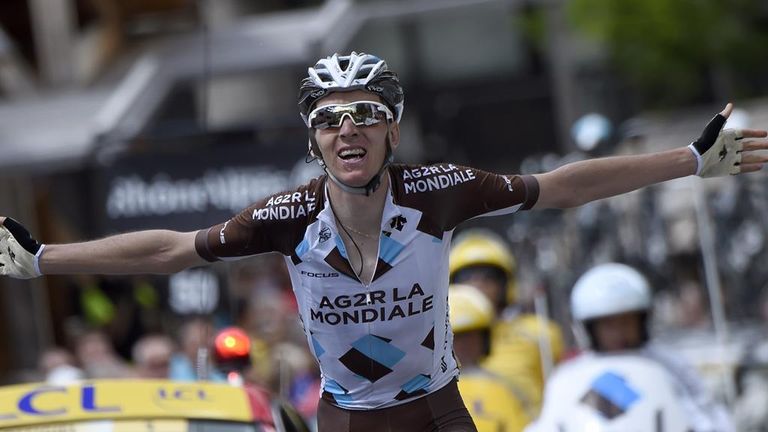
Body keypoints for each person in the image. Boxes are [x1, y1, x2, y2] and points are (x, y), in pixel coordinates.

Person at [1, 52, 766, 431]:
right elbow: (171, 249)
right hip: (348, 419)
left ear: (392, 128)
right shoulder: (288, 215)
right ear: (315, 142)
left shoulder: (440, 191)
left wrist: (690, 162)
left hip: (438, 410)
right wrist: (44, 260)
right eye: (328, 120)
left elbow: (562, 185)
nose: (348, 130)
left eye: (365, 113)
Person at [528, 263, 734, 432]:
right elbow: (552, 420)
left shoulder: (669, 364)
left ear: (642, 320)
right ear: (589, 328)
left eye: (626, 321)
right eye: (608, 324)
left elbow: (704, 412)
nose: (618, 332)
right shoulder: (568, 376)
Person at [449, 230, 563, 413]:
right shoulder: (438, 342)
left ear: (505, 284)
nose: (478, 283)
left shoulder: (539, 333)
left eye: (489, 276)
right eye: (467, 277)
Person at [449, 283, 531, 432]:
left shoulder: (505, 387)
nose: (464, 345)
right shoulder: (428, 391)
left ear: (485, 339)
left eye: (471, 336)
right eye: (457, 338)